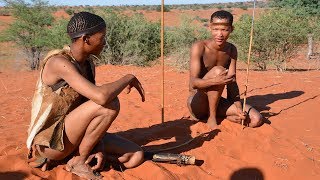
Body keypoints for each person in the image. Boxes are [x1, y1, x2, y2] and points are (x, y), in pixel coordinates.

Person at [27, 12, 145, 179]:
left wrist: (98, 145)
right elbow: (101, 98)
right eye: (102, 37)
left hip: (75, 135)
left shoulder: (87, 64)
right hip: (50, 142)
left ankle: (84, 156)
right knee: (110, 103)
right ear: (86, 39)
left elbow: (88, 106)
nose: (104, 42)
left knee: (136, 156)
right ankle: (79, 160)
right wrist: (128, 78)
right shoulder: (59, 63)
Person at [187, 10, 263, 129]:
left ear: (231, 29)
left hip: (217, 102)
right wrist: (216, 81)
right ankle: (212, 117)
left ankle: (223, 115)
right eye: (216, 29)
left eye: (224, 29)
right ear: (210, 27)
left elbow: (232, 82)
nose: (220, 34)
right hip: (198, 103)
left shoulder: (232, 49)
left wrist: (238, 107)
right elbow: (193, 83)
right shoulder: (199, 47)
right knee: (219, 71)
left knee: (255, 119)